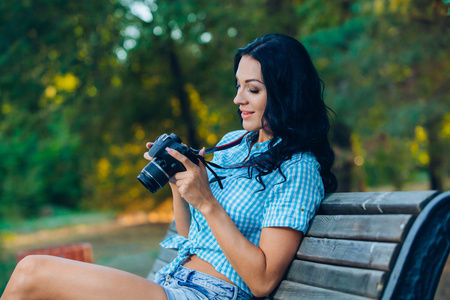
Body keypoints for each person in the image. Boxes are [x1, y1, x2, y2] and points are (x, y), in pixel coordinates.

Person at [0, 33, 337, 300]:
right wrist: (181, 183)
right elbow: (191, 236)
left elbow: (263, 281)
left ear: (284, 93)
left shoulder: (298, 169)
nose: (238, 99)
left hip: (212, 293)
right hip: (175, 281)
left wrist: (207, 201)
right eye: (238, 86)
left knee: (32, 272)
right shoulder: (237, 144)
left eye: (253, 89)